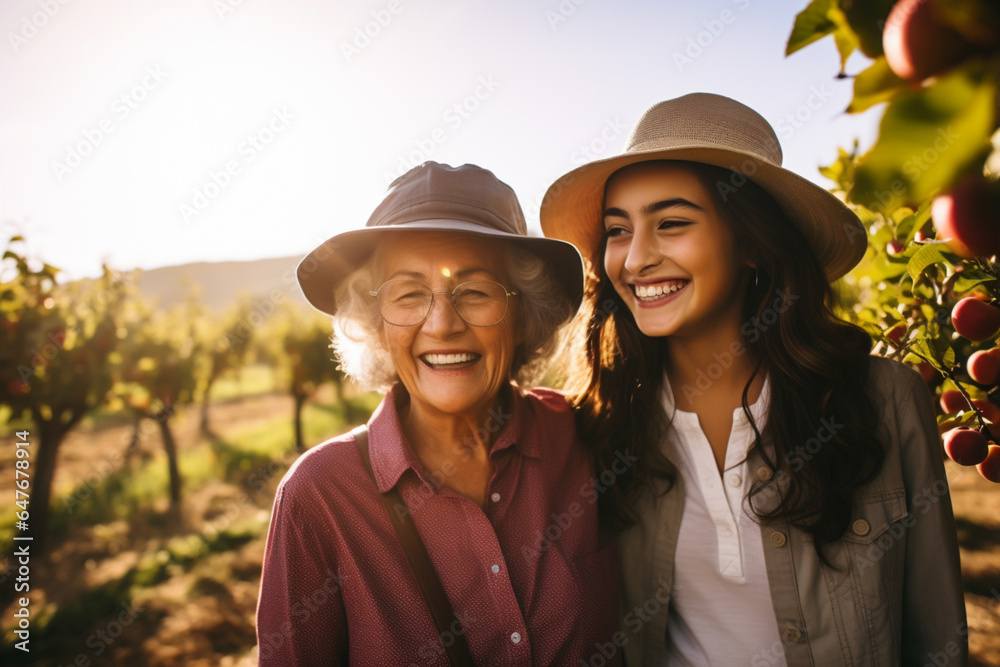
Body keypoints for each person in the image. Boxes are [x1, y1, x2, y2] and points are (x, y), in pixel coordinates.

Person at [539, 93, 967, 666]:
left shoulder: (882, 400)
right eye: (618, 231)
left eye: (671, 223)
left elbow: (937, 636)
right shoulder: (604, 424)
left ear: (752, 244)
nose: (636, 258)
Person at [255, 161, 619, 666]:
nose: (442, 324)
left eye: (474, 291)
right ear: (376, 323)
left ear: (522, 313)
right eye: (408, 295)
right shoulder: (317, 497)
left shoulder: (579, 435)